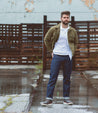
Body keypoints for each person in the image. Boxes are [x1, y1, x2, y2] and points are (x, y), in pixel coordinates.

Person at [41, 11, 78, 106]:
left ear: (69, 19)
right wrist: (51, 51)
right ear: (61, 18)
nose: (66, 19)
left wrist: (71, 52)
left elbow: (75, 42)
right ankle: (49, 99)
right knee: (53, 78)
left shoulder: (72, 30)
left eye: (67, 17)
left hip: (67, 57)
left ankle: (66, 99)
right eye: (64, 17)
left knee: (67, 78)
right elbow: (46, 39)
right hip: (57, 55)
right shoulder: (54, 29)